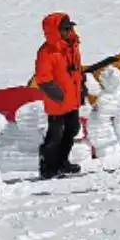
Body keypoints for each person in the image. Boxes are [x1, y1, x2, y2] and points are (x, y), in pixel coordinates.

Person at [33, 12, 84, 179]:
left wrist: (81, 88)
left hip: (73, 97)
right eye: (65, 28)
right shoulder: (46, 52)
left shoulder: (72, 45)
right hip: (58, 101)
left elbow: (77, 69)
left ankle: (63, 162)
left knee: (72, 129)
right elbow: (43, 78)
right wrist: (59, 96)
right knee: (55, 135)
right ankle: (48, 167)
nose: (69, 31)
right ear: (55, 30)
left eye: (70, 27)